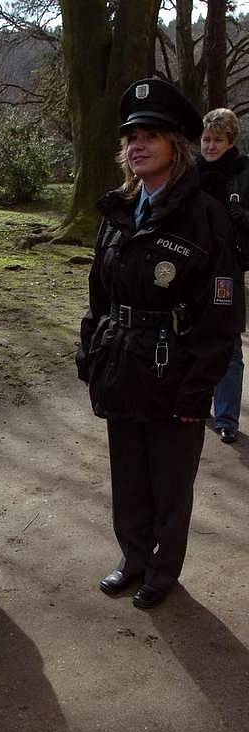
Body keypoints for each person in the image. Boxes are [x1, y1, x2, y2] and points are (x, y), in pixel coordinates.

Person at [76, 79, 240, 609]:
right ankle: (133, 557)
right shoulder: (119, 210)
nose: (137, 145)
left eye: (150, 135)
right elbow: (99, 293)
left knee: (169, 480)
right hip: (121, 360)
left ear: (177, 145)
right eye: (131, 137)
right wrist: (90, 351)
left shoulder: (205, 215)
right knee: (128, 473)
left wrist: (198, 391)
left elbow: (222, 313)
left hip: (174, 369)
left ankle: (163, 570)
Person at [198, 108, 249, 444]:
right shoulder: (189, 171)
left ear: (231, 142)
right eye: (206, 139)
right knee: (190, 337)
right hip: (192, 266)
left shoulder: (245, 171)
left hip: (228, 269)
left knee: (229, 343)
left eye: (217, 140)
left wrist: (243, 216)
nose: (210, 146)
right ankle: (197, 405)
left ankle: (226, 417)